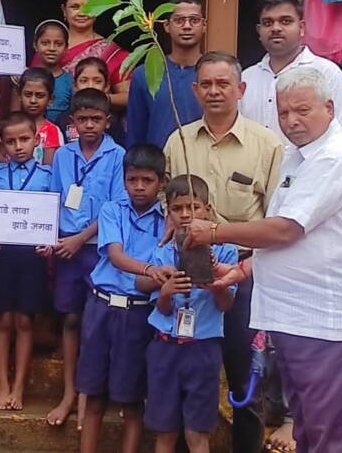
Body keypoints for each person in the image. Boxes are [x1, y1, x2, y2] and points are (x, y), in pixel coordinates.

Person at [185, 67, 342, 453]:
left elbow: (286, 229)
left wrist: (214, 231)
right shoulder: (296, 157)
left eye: (302, 111)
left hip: (326, 323)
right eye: (284, 112)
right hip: (296, 318)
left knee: (333, 436)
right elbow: (299, 238)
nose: (291, 121)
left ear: (329, 108)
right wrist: (243, 269)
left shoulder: (335, 158)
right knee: (310, 429)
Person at [164, 51, 283, 453]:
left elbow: (277, 217)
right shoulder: (178, 141)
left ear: (241, 89)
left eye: (223, 84)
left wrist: (251, 267)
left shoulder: (267, 146)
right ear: (195, 90)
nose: (214, 91)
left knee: (243, 378)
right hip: (188, 270)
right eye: (206, 84)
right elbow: (168, 206)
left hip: (242, 273)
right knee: (186, 369)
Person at [76, 144, 168, 453]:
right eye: (132, 179)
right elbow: (115, 256)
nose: (139, 187)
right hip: (101, 307)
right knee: (94, 396)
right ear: (124, 179)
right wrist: (150, 269)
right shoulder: (112, 210)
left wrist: (155, 273)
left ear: (161, 183)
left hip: (138, 314)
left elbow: (157, 273)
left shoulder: (166, 222)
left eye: (147, 180)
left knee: (132, 400)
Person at [47, 88, 128, 427]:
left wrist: (80, 239)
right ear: (73, 122)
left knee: (97, 323)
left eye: (96, 119)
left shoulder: (118, 155)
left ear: (108, 121)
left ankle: (90, 395)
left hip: (99, 248)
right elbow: (52, 199)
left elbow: (116, 206)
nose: (90, 125)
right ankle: (69, 393)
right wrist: (50, 239)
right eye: (83, 119)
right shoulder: (62, 156)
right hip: (65, 246)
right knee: (70, 319)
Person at [145, 175, 238, 453]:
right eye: (178, 208)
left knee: (197, 432)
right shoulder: (162, 253)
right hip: (165, 345)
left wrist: (216, 282)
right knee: (165, 431)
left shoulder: (225, 252)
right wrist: (166, 292)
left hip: (203, 347)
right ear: (169, 213)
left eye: (194, 207)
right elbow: (161, 308)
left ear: (207, 209)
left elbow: (226, 305)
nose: (186, 214)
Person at [0, 113, 52, 411]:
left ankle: (19, 387)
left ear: (36, 140)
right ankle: (2, 384)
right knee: (3, 319)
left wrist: (50, 241)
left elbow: (53, 217)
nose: (18, 146)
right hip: (0, 254)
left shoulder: (48, 176)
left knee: (25, 321)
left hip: (33, 257)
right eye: (11, 141)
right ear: (2, 145)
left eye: (24, 139)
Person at [240, 0, 342, 143]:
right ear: (259, 31)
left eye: (285, 21)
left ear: (301, 28)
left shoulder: (327, 74)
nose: (276, 28)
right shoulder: (246, 79)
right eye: (268, 23)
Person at [126, 0, 204, 148]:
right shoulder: (146, 74)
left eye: (194, 20)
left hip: (203, 159)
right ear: (167, 26)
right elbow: (135, 134)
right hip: (156, 160)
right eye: (179, 20)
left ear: (204, 26)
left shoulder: (214, 75)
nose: (187, 26)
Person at [58, 0, 130, 110]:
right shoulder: (48, 48)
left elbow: (129, 96)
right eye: (74, 7)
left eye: (88, 7)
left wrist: (98, 98)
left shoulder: (110, 51)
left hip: (95, 119)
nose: (81, 13)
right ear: (64, 10)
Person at [57, 58, 121, 144]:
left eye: (97, 81)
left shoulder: (112, 120)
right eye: (84, 81)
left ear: (106, 86)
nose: (90, 86)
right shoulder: (63, 119)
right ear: (75, 86)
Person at [16, 67, 63, 166]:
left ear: (50, 99)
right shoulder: (12, 128)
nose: (33, 100)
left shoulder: (51, 131)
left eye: (40, 96)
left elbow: (48, 169)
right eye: (28, 95)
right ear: (19, 95)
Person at [30, 19, 73, 124]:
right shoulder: (25, 78)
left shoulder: (70, 82)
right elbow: (16, 116)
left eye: (58, 44)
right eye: (45, 43)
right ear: (35, 45)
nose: (52, 48)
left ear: (66, 47)